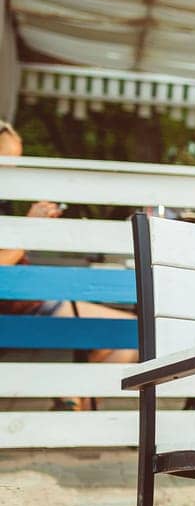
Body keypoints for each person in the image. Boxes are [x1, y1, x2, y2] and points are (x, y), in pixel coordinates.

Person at [0, 123, 138, 399]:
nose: (12, 169)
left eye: (16, 161)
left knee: (124, 336)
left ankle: (73, 403)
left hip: (33, 300)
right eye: (6, 161)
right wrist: (31, 227)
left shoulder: (5, 199)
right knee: (130, 334)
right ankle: (72, 400)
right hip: (24, 306)